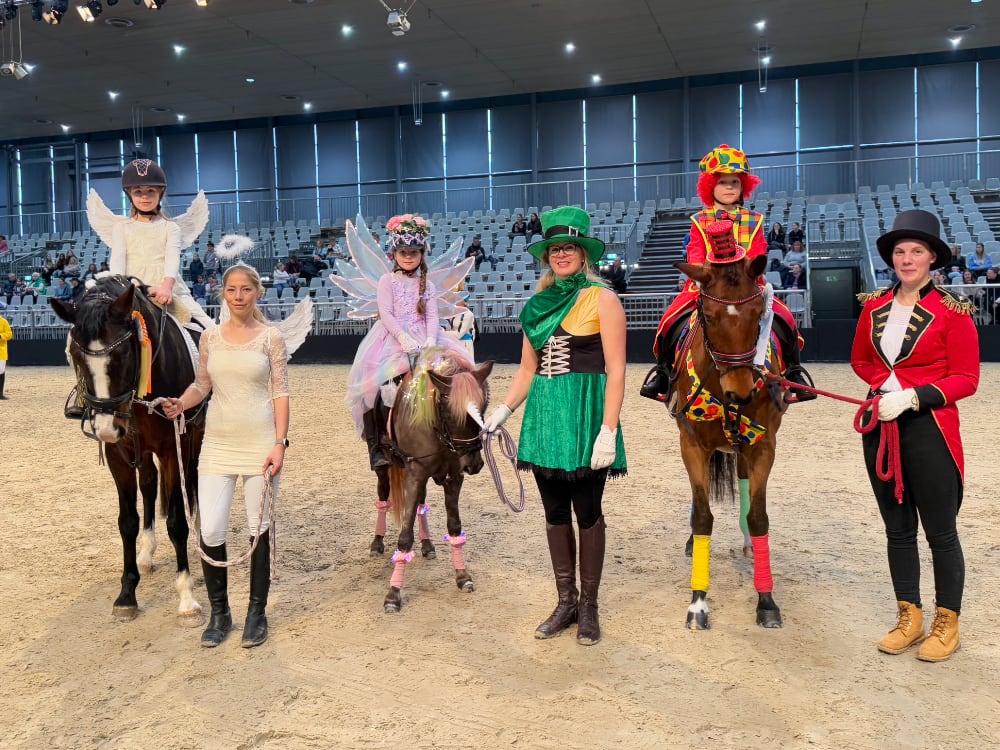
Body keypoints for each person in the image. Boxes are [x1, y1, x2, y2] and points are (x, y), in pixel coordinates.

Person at [484, 206, 626, 646]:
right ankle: (566, 603)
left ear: (584, 254)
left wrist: (608, 429)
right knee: (554, 513)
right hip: (544, 417)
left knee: (588, 512)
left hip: (584, 415)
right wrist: (504, 410)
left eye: (569, 247)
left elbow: (617, 371)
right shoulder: (536, 306)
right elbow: (528, 370)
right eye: (554, 249)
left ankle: (589, 607)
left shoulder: (603, 299)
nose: (561, 254)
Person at [851, 209, 979, 663]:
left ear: (932, 258)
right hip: (881, 425)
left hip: (930, 428)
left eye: (916, 251)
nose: (907, 260)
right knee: (898, 529)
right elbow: (861, 360)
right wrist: (883, 387)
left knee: (940, 532)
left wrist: (913, 396)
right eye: (900, 252)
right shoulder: (873, 307)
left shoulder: (952, 311)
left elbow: (967, 378)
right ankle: (910, 616)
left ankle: (948, 621)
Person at [162, 263, 290, 649]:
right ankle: (220, 614)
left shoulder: (271, 338)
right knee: (211, 530)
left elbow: (280, 392)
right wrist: (181, 403)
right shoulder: (210, 338)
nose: (238, 296)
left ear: (257, 292)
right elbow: (202, 385)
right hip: (217, 445)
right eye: (231, 289)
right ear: (223, 293)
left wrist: (280, 443)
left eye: (245, 289)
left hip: (260, 444)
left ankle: (256, 613)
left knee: (258, 528)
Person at [640, 145, 815, 403]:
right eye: (723, 182)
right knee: (668, 320)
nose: (729, 187)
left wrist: (748, 272)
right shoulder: (699, 220)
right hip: (708, 284)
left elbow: (758, 250)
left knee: (786, 318)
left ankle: (794, 372)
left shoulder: (755, 219)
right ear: (710, 186)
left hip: (747, 284)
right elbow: (695, 250)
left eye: (735, 182)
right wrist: (703, 273)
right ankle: (663, 374)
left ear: (744, 186)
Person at [345, 213, 474, 469]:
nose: (408, 257)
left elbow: (433, 316)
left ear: (421, 254)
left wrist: (430, 339)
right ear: (394, 254)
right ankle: (377, 447)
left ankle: (460, 437)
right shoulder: (387, 281)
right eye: (403, 252)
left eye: (413, 252)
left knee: (457, 377)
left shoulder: (428, 286)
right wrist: (403, 337)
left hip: (426, 337)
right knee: (374, 387)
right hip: (392, 339)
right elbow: (386, 314)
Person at [99, 159, 213, 328]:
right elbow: (117, 264)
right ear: (130, 194)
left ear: (160, 193)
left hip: (167, 287)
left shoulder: (170, 227)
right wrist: (122, 295)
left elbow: (172, 259)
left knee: (209, 328)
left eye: (151, 190)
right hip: (132, 289)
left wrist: (166, 287)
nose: (144, 196)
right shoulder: (121, 228)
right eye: (138, 191)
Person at [0, 311, 11, 399]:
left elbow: (9, 334)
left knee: (1, 371)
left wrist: (1, 336)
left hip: (1, 351)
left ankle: (0, 393)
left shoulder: (3, 322)